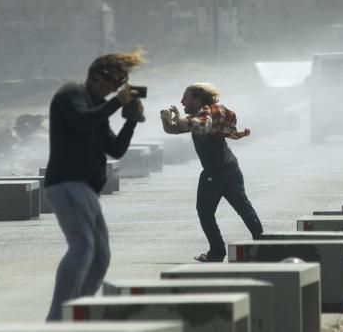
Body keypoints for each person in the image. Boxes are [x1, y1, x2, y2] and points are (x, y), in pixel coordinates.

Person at [43, 50, 145, 320]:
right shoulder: (70, 94)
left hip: (86, 189)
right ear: (94, 77)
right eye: (109, 84)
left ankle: (80, 309)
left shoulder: (97, 107)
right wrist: (114, 104)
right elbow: (80, 121)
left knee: (100, 254)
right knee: (82, 246)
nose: (111, 91)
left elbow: (116, 149)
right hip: (65, 183)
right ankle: (57, 318)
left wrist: (131, 120)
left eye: (115, 87)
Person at [160, 83, 264, 262]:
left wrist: (178, 117)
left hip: (215, 173)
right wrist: (166, 119)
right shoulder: (204, 114)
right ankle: (263, 245)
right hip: (230, 168)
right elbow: (174, 129)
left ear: (197, 100)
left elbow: (203, 127)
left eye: (186, 97)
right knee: (243, 206)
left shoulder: (207, 113)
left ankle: (217, 252)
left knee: (206, 211)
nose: (181, 101)